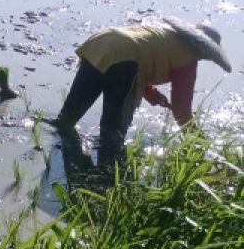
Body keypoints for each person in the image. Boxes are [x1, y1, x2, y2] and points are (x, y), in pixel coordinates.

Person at [52, 17, 232, 161]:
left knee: (66, 119)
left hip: (101, 41)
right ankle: (105, 184)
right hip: (124, 59)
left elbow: (138, 55)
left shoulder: (163, 33)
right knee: (112, 135)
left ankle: (52, 156)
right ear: (206, 51)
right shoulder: (188, 59)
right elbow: (181, 111)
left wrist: (151, 94)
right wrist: (199, 143)